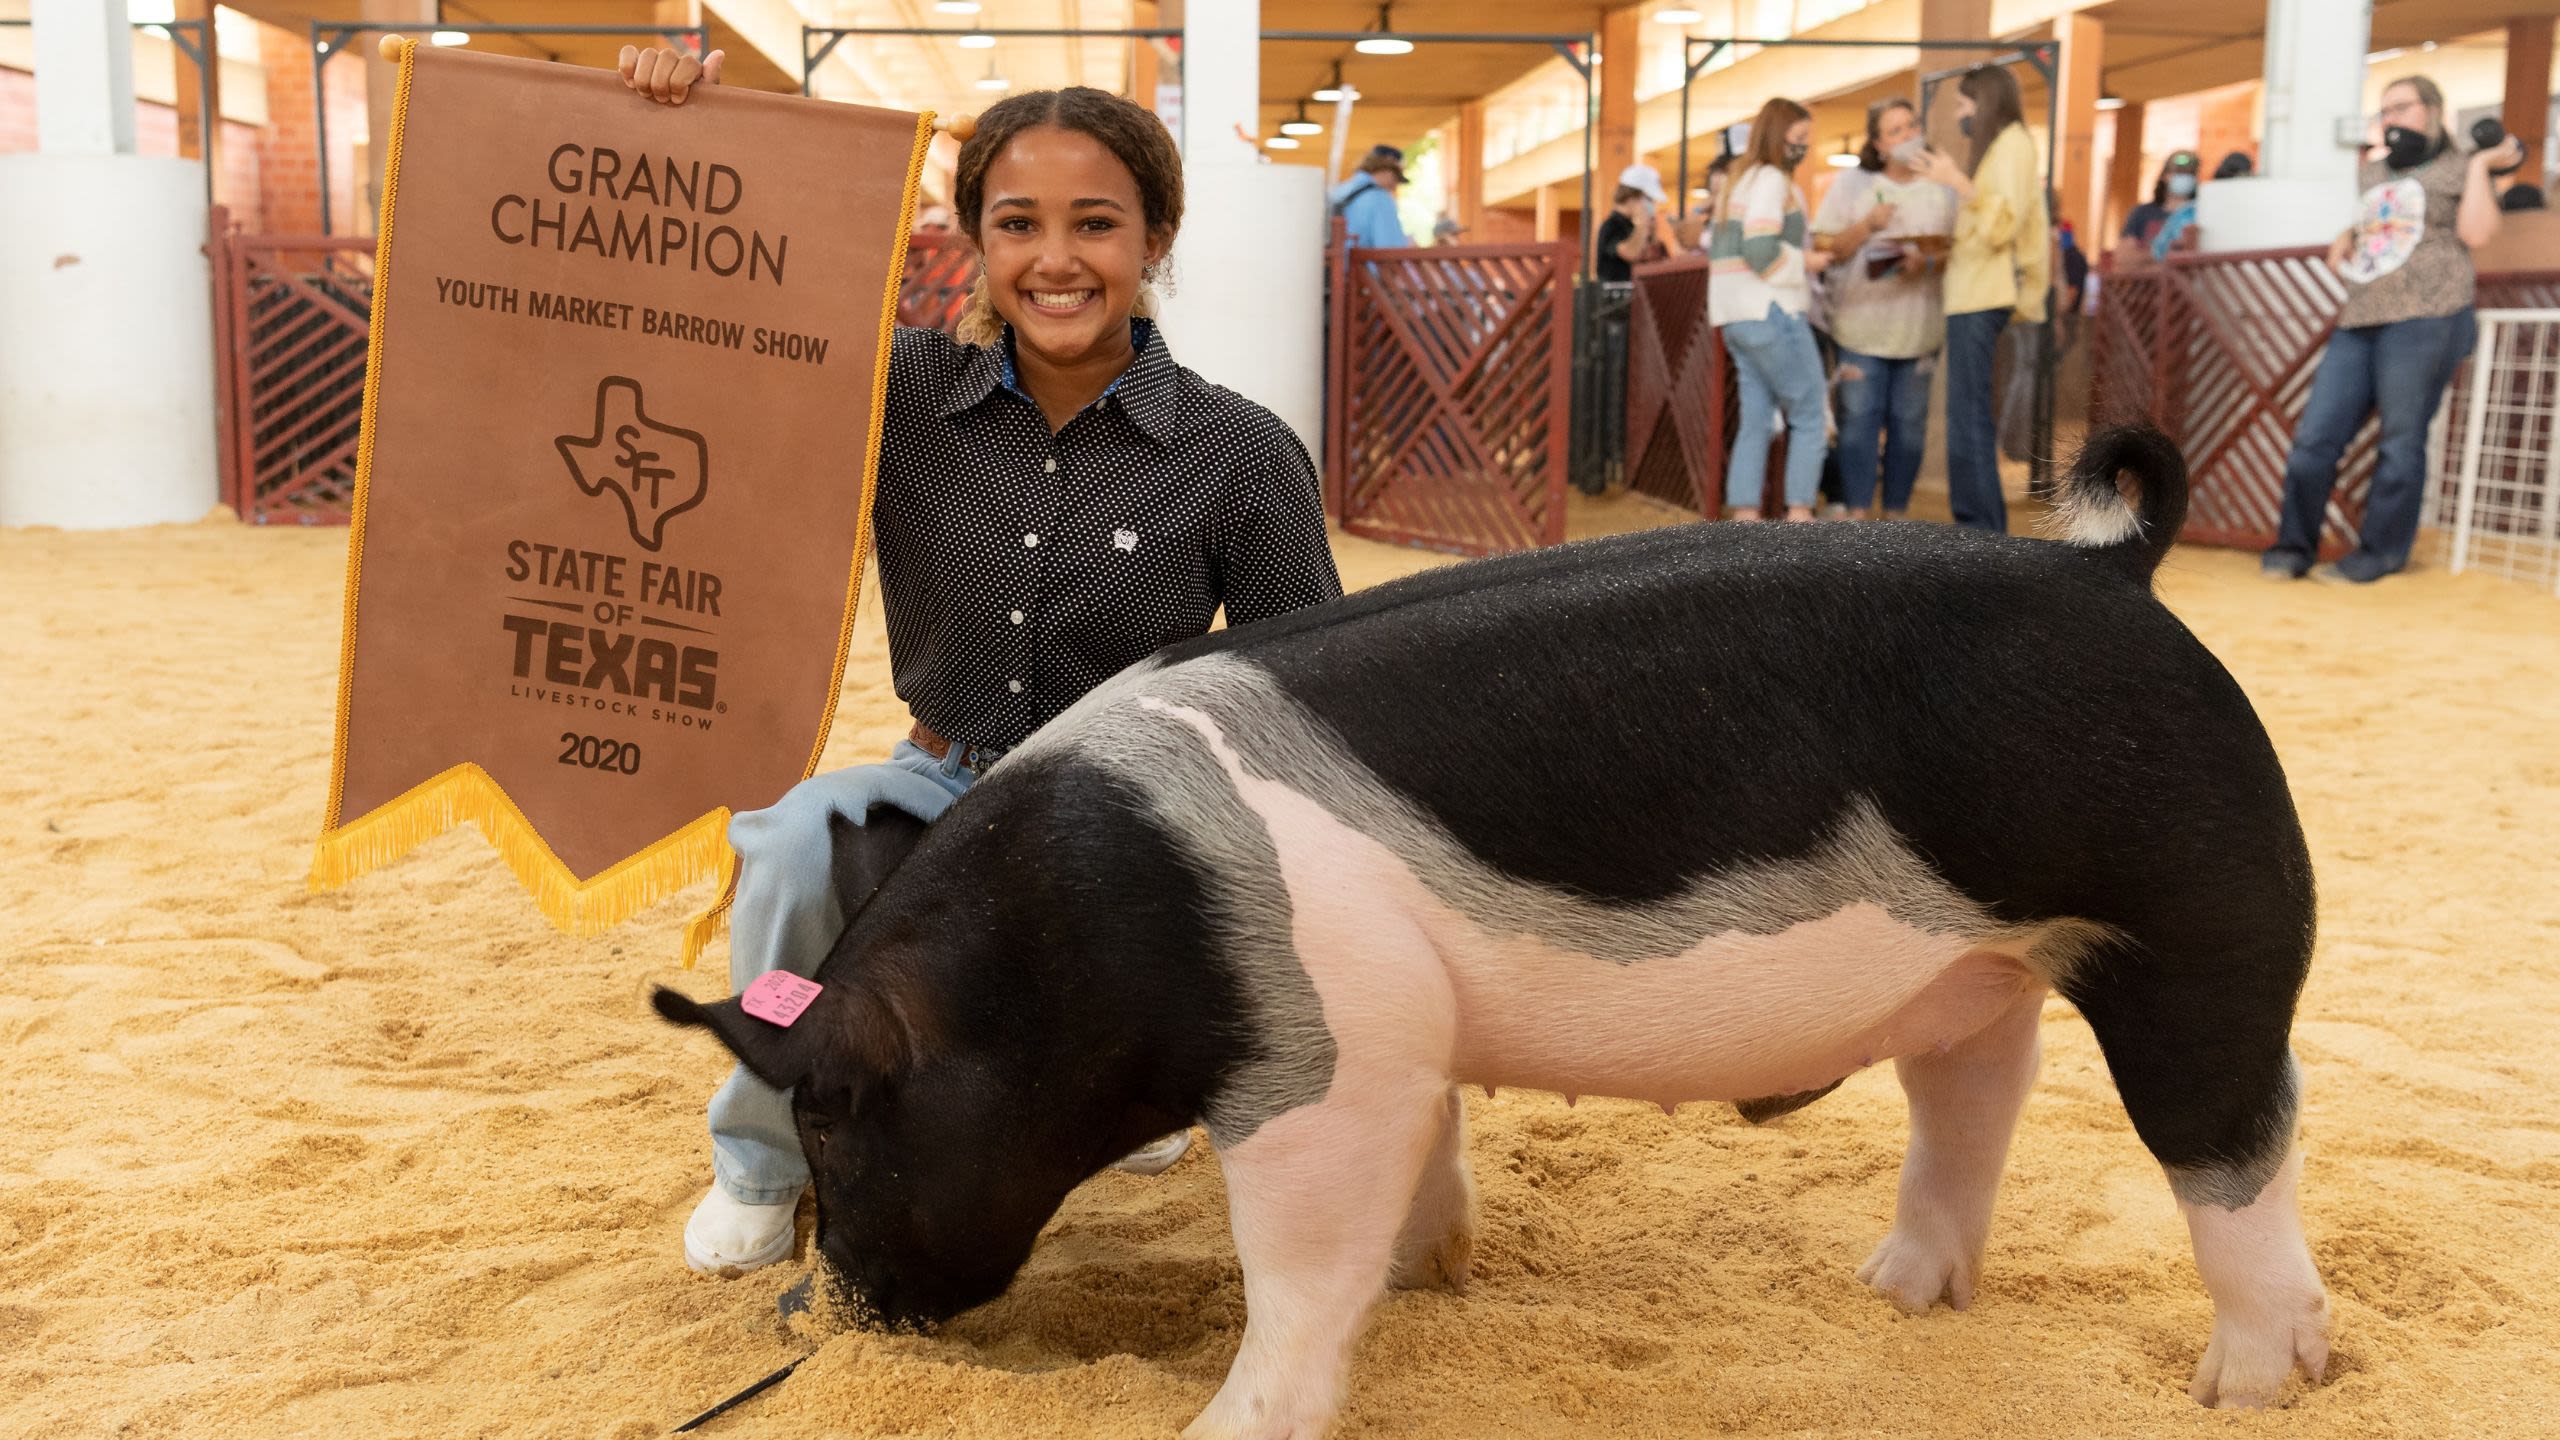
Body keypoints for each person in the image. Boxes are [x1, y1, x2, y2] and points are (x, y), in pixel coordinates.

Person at [616, 46, 1344, 1274]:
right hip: (936, 785)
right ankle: (761, 1153)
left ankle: (1130, 1090)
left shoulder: (1238, 451)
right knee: (790, 848)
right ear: (975, 240)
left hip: (1127, 815)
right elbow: (726, 326)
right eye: (1018, 223)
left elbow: (1305, 691)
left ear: (1155, 237)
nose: (1056, 259)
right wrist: (680, 133)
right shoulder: (896, 392)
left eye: (1096, 224)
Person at [2262, 75, 2522, 584]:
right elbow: (2389, 220)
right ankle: (2293, 547)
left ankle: (2379, 555)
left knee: (2400, 440)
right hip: (2360, 314)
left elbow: (2475, 233)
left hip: (2429, 312)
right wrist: (2348, 231)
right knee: (2314, 437)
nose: (2392, 119)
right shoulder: (2374, 171)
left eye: (2402, 108)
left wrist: (2480, 167)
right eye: (2384, 112)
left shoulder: (2461, 164)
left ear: (2432, 110)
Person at [1918, 64, 2049, 533]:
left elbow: (2001, 225)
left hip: (1983, 296)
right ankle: (1978, 526)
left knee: (1968, 416)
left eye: (1963, 104)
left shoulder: (2012, 144)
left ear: (1985, 101)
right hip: (1972, 294)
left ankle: (1981, 530)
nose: (1958, 113)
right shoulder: (2003, 146)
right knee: (1965, 414)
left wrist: (1957, 182)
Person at [1811, 97, 1955, 520]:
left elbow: (1956, 248)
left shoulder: (1941, 187)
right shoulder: (1851, 184)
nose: (1908, 136)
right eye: (1895, 131)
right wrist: (1868, 225)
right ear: (1878, 143)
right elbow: (1827, 248)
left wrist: (1924, 262)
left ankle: (1896, 517)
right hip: (1860, 326)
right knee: (1858, 424)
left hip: (1919, 327)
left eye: (1911, 125)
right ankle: (1857, 517)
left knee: (1909, 431)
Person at [1707, 96, 1833, 522]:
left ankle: (1745, 515)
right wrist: (1807, 262)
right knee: (1811, 412)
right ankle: (1799, 514)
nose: (1804, 147)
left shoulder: (1737, 181)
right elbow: (1760, 249)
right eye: (1798, 139)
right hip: (1772, 310)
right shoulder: (1772, 182)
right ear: (1779, 137)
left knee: (1756, 419)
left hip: (1735, 316)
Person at [1594, 164, 1677, 283]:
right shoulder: (1611, 226)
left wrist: (1651, 233)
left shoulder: (1631, 227)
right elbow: (1630, 253)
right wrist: (1643, 223)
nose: (1652, 205)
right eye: (1649, 199)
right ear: (1634, 196)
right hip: (1616, 299)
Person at [2116, 151, 2201, 264]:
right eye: (2178, 172)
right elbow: (2124, 255)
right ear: (2165, 176)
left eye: (2189, 174)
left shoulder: (2199, 213)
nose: (2183, 178)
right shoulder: (2142, 213)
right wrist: (2158, 253)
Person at [1328, 145, 1411, 248]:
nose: (1394, 187)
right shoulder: (1380, 198)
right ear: (1387, 171)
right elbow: (1391, 248)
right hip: (1361, 263)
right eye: (1396, 179)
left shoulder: (1339, 191)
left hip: (1334, 262)